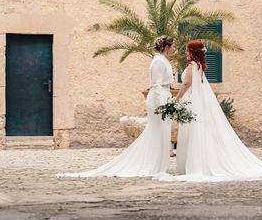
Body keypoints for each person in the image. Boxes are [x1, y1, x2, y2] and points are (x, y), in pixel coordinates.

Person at [163, 40, 262, 182]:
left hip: (190, 103)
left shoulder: (192, 66)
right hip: (192, 103)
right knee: (197, 134)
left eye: (187, 50)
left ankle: (193, 166)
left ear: (192, 52)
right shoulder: (199, 66)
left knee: (192, 134)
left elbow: (185, 85)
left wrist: (175, 101)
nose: (185, 52)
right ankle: (197, 164)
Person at [57, 35, 175, 178]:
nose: (174, 49)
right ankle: (152, 164)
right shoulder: (158, 62)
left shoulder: (163, 61)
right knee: (157, 132)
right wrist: (162, 105)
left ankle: (158, 165)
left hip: (164, 97)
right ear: (166, 48)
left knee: (161, 132)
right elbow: (155, 86)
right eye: (172, 46)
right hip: (158, 100)